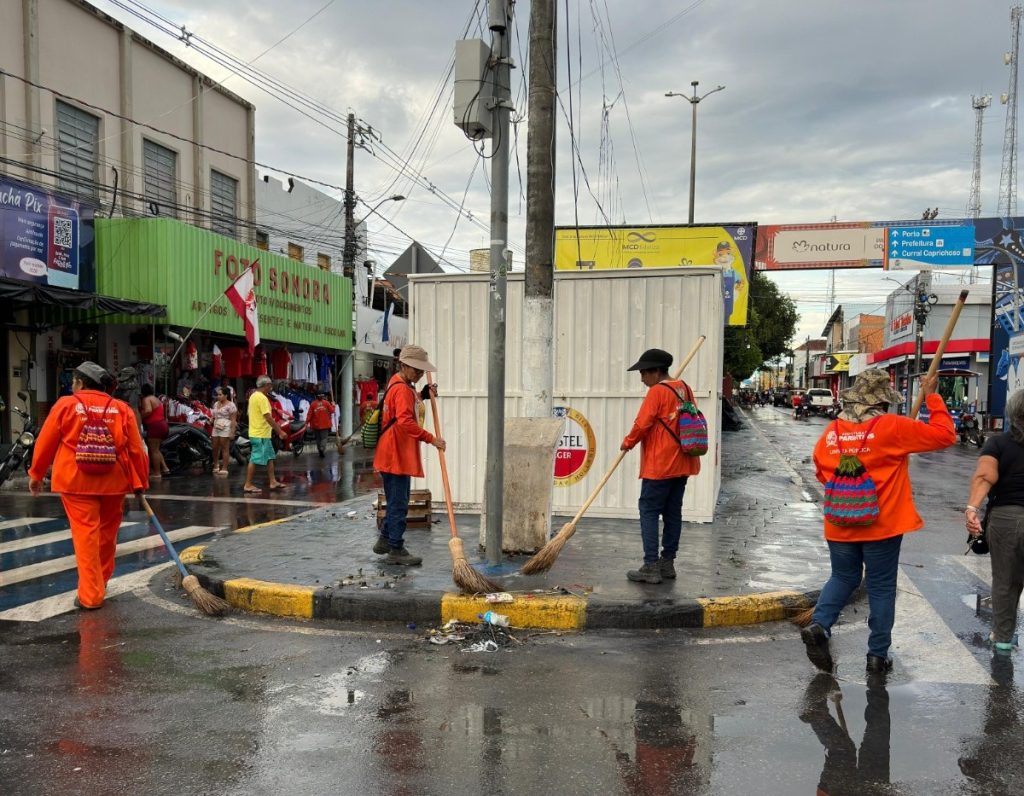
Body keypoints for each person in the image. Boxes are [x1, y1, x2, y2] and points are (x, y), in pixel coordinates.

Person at [802, 369, 955, 674]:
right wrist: (932, 395)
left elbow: (821, 471)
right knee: (881, 586)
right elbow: (945, 434)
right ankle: (877, 655)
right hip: (881, 526)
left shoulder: (831, 432)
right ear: (883, 401)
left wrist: (850, 490)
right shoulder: (892, 427)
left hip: (840, 522)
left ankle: (819, 625)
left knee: (843, 578)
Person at [27, 362, 149, 610]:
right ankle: (99, 584)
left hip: (75, 482)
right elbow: (136, 449)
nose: (72, 386)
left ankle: (91, 595)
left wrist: (36, 473)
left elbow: (45, 441)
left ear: (80, 383)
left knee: (86, 536)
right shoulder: (121, 408)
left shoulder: (66, 405)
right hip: (114, 482)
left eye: (73, 382)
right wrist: (141, 482)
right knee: (106, 537)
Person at [620, 348, 701, 584]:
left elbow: (642, 424)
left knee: (649, 510)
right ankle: (668, 563)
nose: (642, 378)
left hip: (660, 464)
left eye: (644, 373)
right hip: (683, 461)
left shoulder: (657, 392)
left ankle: (650, 566)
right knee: (673, 512)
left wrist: (627, 442)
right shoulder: (684, 388)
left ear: (656, 372)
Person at [372, 344, 445, 565]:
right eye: (417, 369)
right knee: (399, 503)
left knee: (396, 499)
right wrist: (431, 439)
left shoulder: (398, 383)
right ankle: (395, 549)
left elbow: (405, 409)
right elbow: (405, 422)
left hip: (393, 451)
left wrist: (422, 394)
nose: (421, 374)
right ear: (403, 365)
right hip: (395, 453)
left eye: (422, 370)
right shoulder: (402, 388)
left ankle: (385, 540)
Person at [964, 389, 1024, 652]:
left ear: (1012, 414)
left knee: (1005, 580)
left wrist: (972, 508)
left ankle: (1002, 638)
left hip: (1006, 519)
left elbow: (985, 477)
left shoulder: (997, 444)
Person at [243, 375, 288, 493]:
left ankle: (273, 481)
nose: (271, 388)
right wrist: (280, 431)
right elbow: (268, 417)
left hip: (260, 433)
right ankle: (248, 484)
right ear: (266, 385)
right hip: (260, 434)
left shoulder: (253, 395)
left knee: (269, 458)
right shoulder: (262, 398)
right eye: (270, 385)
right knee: (254, 459)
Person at [139, 383, 169, 479]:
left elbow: (148, 410)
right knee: (156, 449)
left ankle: (157, 473)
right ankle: (165, 468)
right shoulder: (156, 399)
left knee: (153, 451)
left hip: (155, 425)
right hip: (162, 424)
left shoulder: (146, 399)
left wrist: (139, 416)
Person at [210, 386, 237, 477]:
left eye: (220, 395)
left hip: (226, 426)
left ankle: (224, 467)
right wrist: (211, 419)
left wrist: (232, 431)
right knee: (214, 447)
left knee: (224, 447)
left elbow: (233, 420)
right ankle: (216, 464)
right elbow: (213, 415)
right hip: (216, 425)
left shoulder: (231, 405)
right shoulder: (216, 404)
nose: (218, 396)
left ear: (226, 395)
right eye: (218, 395)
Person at [308, 390, 335, 458]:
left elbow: (309, 414)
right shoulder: (326, 403)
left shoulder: (313, 404)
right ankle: (322, 448)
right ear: (322, 396)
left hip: (316, 425)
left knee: (318, 439)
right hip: (325, 424)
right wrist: (333, 405)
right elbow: (332, 411)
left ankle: (320, 450)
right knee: (324, 438)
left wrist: (306, 422)